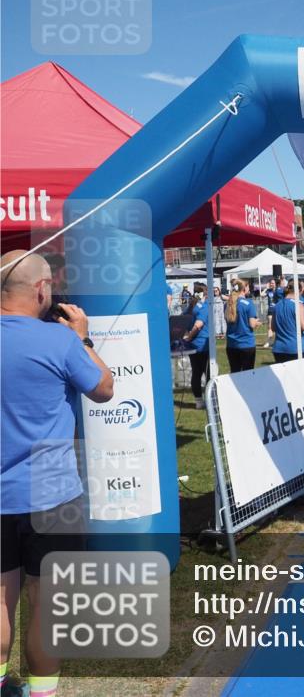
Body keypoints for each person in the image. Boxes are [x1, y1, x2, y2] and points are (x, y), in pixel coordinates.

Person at [1, 251, 114, 697]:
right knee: (46, 608)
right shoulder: (60, 341)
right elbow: (104, 389)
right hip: (53, 497)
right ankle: (41, 692)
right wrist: (83, 339)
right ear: (41, 290)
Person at [179, 283, 211, 408]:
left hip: (193, 346)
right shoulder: (203, 307)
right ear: (205, 293)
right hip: (203, 345)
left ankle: (198, 401)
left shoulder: (191, 306)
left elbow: (182, 320)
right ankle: (209, 401)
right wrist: (189, 336)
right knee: (208, 374)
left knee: (196, 373)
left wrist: (186, 336)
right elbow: (198, 325)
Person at [271, 284, 304, 364]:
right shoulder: (298, 305)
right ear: (299, 291)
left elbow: (273, 328)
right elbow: (303, 326)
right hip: (295, 348)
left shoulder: (277, 305)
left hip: (279, 349)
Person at [224, 280, 259, 373]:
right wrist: (256, 322)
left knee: (235, 373)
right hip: (246, 344)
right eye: (247, 286)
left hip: (231, 345)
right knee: (248, 375)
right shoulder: (248, 303)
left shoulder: (227, 304)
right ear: (244, 288)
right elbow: (252, 324)